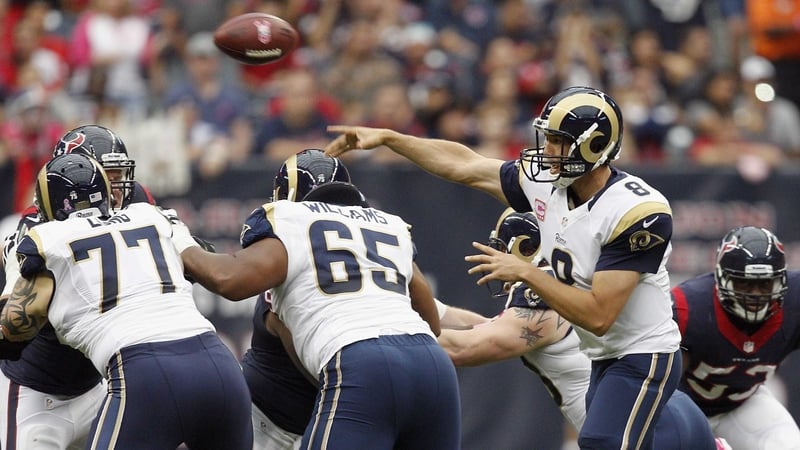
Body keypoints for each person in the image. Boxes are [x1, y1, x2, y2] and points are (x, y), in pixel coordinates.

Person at [325, 85, 682, 449]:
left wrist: (527, 271)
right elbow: (464, 164)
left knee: (601, 443)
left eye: (558, 142)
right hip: (603, 356)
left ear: (592, 146)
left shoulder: (635, 211)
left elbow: (599, 316)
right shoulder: (550, 187)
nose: (547, 151)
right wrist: (391, 139)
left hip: (642, 352)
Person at [177, 149, 462, 450]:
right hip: (434, 367)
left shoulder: (291, 219)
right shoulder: (387, 223)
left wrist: (179, 241)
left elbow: (229, 280)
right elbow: (431, 321)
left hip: (361, 361)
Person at [0, 153, 253, 449]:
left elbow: (12, 332)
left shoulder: (48, 240)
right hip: (221, 366)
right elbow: (201, 259)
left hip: (143, 373)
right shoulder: (151, 217)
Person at [437, 207, 721, 450]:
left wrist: (399, 334)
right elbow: (493, 327)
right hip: (676, 413)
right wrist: (425, 309)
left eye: (502, 251)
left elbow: (466, 347)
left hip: (641, 430)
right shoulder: (577, 275)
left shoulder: (539, 296)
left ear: (524, 250)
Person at [0, 124, 156, 450]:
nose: (118, 189)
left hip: (98, 387)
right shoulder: (37, 226)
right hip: (35, 391)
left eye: (119, 174)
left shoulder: (136, 203)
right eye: (108, 176)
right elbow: (12, 316)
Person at [672, 225, 800, 449]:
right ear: (721, 279)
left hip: (742, 403)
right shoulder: (688, 308)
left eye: (765, 284)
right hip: (680, 409)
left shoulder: (795, 300)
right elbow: (658, 386)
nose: (756, 295)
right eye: (745, 283)